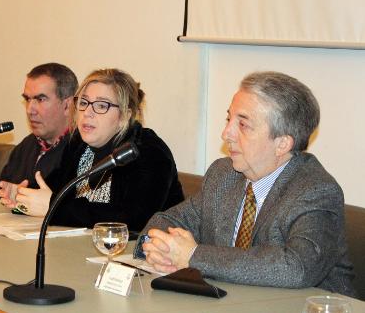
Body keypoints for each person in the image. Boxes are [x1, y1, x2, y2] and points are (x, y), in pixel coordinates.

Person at [137, 71, 355, 296]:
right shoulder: (223, 174)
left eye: (243, 125)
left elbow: (296, 267)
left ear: (282, 144)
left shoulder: (315, 190)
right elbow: (169, 220)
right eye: (228, 119)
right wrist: (160, 249)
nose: (226, 133)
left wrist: (193, 256)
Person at [3, 68, 184, 232]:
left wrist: (52, 207)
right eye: (83, 103)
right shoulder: (79, 145)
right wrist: (22, 196)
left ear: (125, 116)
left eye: (101, 105)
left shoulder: (149, 152)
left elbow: (134, 220)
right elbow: (54, 188)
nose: (87, 113)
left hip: (145, 259)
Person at [0, 63, 78, 200]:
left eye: (40, 99)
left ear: (67, 105)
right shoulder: (27, 145)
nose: (30, 110)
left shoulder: (81, 150)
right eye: (27, 99)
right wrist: (5, 193)